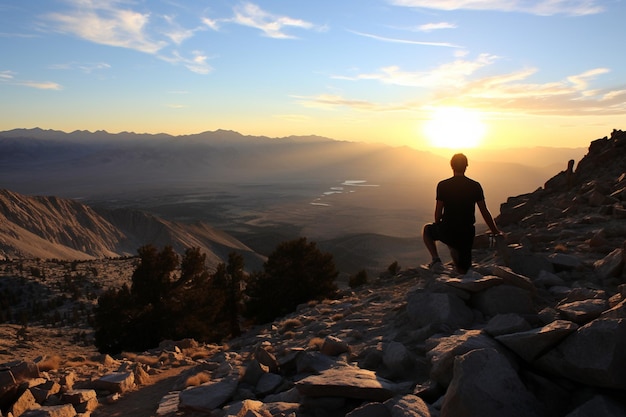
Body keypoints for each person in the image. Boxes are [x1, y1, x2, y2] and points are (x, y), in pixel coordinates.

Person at [422, 153, 501, 274]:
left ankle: (436, 260)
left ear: (451, 166)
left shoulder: (443, 185)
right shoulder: (475, 186)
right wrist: (495, 232)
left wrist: (438, 224)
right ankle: (458, 260)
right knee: (464, 270)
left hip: (448, 230)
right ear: (466, 166)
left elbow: (438, 212)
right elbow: (484, 211)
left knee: (427, 230)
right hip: (466, 234)